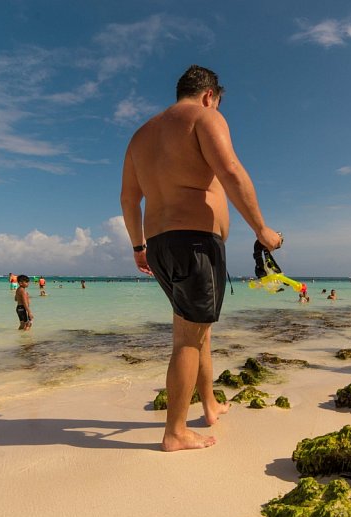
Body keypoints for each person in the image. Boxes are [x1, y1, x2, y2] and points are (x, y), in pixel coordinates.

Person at [120, 64, 281, 451]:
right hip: (194, 244)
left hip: (160, 245)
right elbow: (230, 171)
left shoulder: (141, 135)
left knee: (198, 330)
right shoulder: (204, 117)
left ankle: (208, 404)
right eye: (218, 102)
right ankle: (174, 431)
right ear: (210, 95)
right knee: (188, 340)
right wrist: (263, 230)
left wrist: (138, 246)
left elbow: (129, 198)